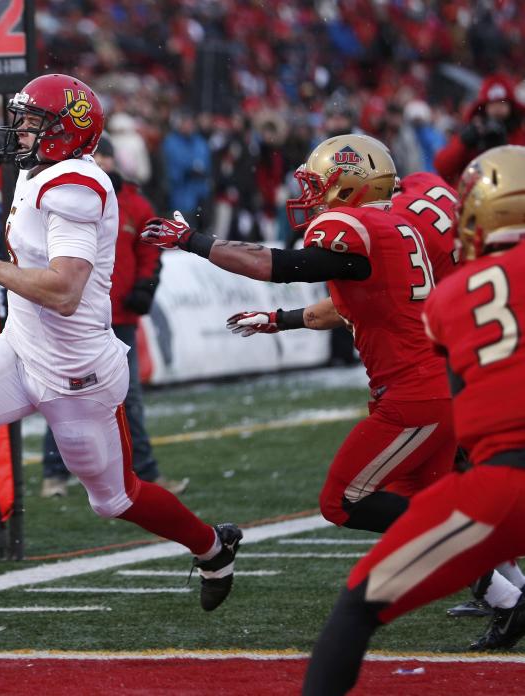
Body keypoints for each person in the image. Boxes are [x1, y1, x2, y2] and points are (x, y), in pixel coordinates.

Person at [0, 73, 241, 612]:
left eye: (34, 122)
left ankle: (212, 546)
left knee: (115, 498)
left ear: (68, 132)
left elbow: (63, 291)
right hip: (20, 348)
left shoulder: (73, 188)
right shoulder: (42, 172)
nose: (19, 131)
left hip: (76, 374)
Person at [144, 134, 456, 534]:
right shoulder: (393, 228)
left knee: (342, 501)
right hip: (431, 388)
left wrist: (193, 240)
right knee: (420, 501)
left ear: (350, 184)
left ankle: (472, 537)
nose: (310, 195)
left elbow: (277, 265)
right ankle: (501, 591)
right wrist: (279, 319)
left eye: (318, 184)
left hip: (415, 395)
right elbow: (349, 310)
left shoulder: (361, 228)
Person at [303, 145, 525, 696]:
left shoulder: (450, 298)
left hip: (502, 476)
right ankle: (506, 590)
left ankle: (506, 590)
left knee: (359, 607)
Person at [39, 136, 187, 498]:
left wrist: (144, 288)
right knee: (63, 393)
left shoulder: (134, 204)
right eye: (96, 155)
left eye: (106, 156)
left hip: (119, 317)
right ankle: (54, 474)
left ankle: (144, 473)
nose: (101, 162)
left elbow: (151, 253)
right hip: (76, 317)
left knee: (128, 397)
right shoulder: (62, 198)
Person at [434, 74, 525, 185]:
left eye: (502, 102)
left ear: (511, 106)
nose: (497, 107)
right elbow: (443, 168)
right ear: (484, 107)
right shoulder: (474, 133)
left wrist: (506, 149)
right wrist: (463, 143)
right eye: (492, 103)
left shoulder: (520, 135)